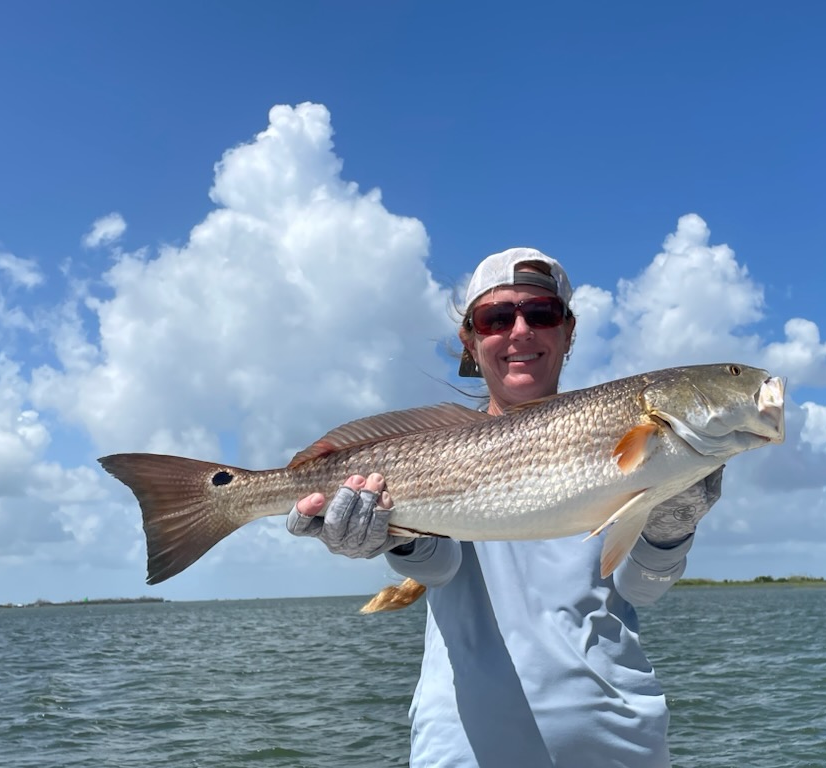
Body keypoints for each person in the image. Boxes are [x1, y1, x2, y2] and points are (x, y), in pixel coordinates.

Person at [286, 247, 723, 768]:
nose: (520, 331)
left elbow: (640, 590)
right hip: (465, 751)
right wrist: (395, 538)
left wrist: (674, 524)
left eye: (541, 313)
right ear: (469, 340)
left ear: (568, 332)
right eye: (496, 318)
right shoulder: (437, 448)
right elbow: (441, 569)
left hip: (621, 746)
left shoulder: (634, 436)